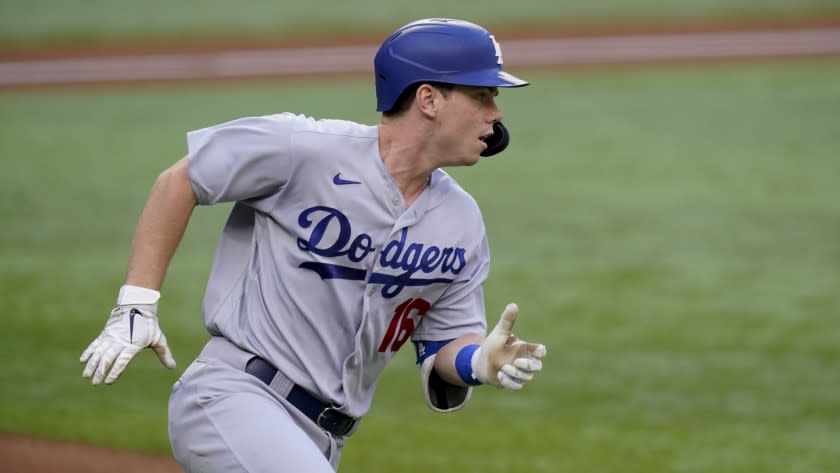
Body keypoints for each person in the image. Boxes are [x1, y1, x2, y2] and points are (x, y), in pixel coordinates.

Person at [80, 18, 547, 472]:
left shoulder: (460, 221)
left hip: (324, 437)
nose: (496, 113)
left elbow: (443, 342)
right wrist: (137, 304)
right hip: (235, 397)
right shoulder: (303, 149)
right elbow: (181, 180)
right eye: (481, 95)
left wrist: (479, 362)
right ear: (428, 98)